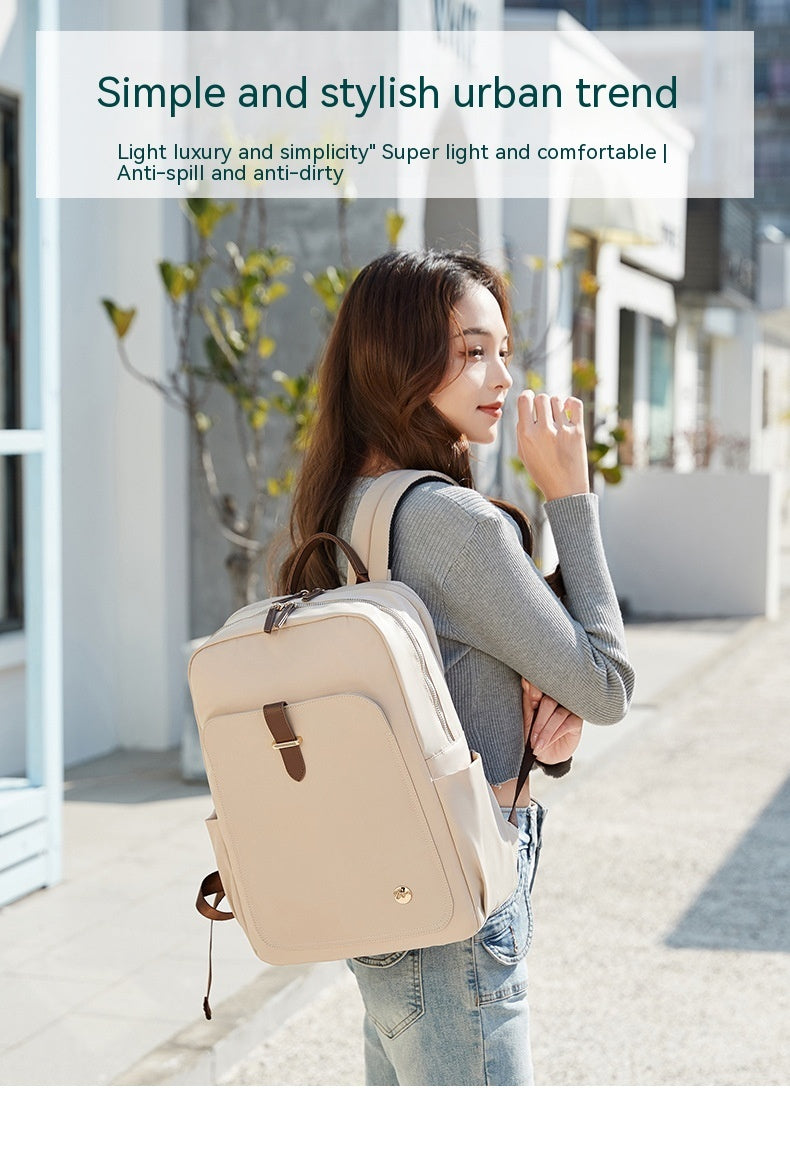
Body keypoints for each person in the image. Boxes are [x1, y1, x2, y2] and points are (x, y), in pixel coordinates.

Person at [276, 249, 635, 1086]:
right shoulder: (450, 521)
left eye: (503, 349)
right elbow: (609, 681)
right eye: (471, 351)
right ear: (398, 360)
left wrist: (535, 715)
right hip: (455, 919)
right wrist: (570, 496)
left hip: (384, 906)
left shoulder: (346, 504)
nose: (502, 376)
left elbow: (439, 692)